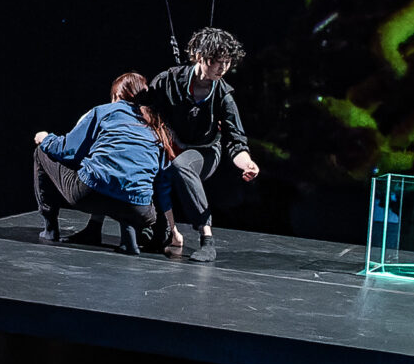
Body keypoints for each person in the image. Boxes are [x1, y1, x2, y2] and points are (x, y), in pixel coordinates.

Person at [146, 26, 260, 264]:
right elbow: (146, 109)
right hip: (171, 146)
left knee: (182, 165)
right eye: (217, 61)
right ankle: (164, 230)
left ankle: (207, 239)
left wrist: (247, 163)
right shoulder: (168, 80)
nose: (223, 68)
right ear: (199, 56)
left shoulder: (224, 96)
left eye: (227, 62)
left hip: (205, 152)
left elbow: (236, 140)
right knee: (151, 166)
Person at [33, 72, 173, 254]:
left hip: (91, 196)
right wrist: (167, 227)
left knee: (42, 153)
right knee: (119, 174)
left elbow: (68, 150)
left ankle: (50, 229)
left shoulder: (104, 111)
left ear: (117, 95)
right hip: (140, 210)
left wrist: (46, 139)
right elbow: (162, 179)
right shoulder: (154, 125)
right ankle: (126, 238)